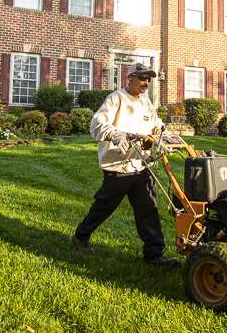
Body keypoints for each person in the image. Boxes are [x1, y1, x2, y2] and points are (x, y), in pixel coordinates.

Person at [71, 62, 177, 266]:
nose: (146, 82)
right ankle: (81, 236)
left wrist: (163, 134)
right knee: (103, 207)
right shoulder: (116, 98)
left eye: (148, 79)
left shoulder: (146, 102)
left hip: (141, 164)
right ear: (130, 79)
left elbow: (157, 124)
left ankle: (154, 254)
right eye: (142, 78)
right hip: (118, 167)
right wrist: (114, 133)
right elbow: (97, 123)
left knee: (149, 210)